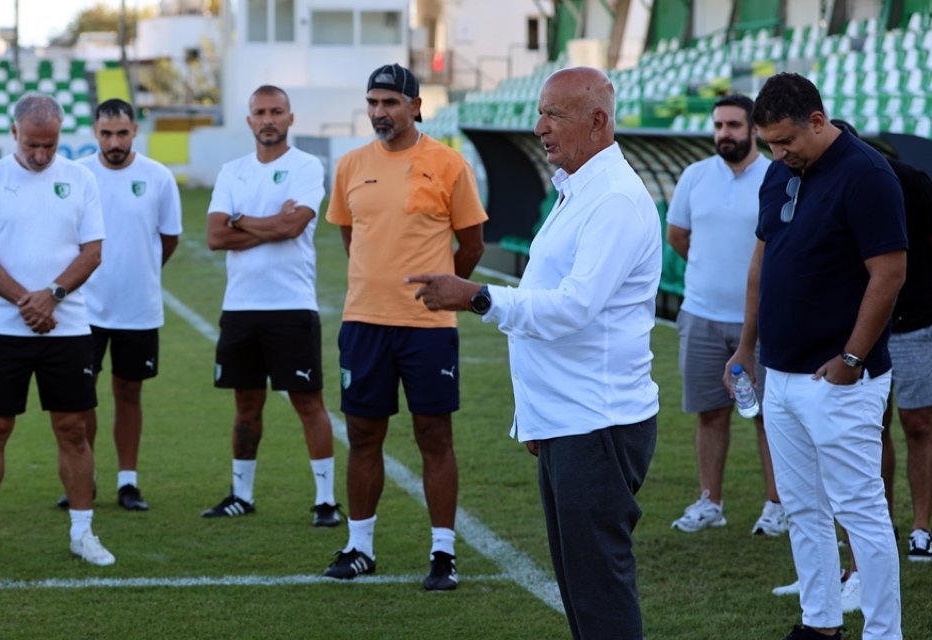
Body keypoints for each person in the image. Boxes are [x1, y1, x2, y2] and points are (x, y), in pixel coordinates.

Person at [409, 66, 662, 636]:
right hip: (571, 421)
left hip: (596, 424)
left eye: (554, 114)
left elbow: (572, 307)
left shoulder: (614, 200)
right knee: (581, 588)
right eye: (541, 112)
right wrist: (537, 418)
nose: (539, 126)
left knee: (599, 591)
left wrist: (477, 296)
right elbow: (551, 302)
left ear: (598, 122)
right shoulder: (581, 189)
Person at [728, 73, 906, 640]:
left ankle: (883, 632)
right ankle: (820, 622)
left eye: (786, 142)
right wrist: (747, 345)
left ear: (818, 121)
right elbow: (763, 263)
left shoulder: (867, 174)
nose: (778, 154)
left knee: (861, 513)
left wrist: (851, 360)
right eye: (771, 144)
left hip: (840, 379)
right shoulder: (779, 172)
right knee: (804, 508)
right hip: (779, 375)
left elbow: (890, 272)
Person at [323, 63, 487, 591]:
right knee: (363, 435)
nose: (379, 112)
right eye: (373, 102)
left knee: (434, 436)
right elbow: (351, 237)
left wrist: (444, 292)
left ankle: (443, 553)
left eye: (390, 102)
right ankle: (360, 546)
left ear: (416, 106)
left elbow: (473, 244)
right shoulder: (350, 165)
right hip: (364, 322)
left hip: (427, 327)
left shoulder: (448, 164)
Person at [0, 93, 113, 570]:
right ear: (14, 134)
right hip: (3, 330)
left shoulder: (81, 178)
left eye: (50, 145)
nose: (41, 155)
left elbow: (92, 252)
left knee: (72, 430)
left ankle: (82, 532)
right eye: (32, 145)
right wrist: (29, 301)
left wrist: (53, 297)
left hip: (67, 329)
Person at [201, 85, 340, 528]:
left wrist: (241, 219)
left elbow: (294, 225)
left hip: (291, 305)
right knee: (246, 405)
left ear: (290, 119)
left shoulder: (306, 167)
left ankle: (325, 500)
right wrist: (267, 224)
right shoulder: (232, 171)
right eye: (260, 112)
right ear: (248, 121)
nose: (268, 119)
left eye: (276, 111)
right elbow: (215, 236)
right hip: (240, 307)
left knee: (308, 402)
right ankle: (241, 494)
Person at [664, 94, 785, 536]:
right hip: (699, 315)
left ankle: (777, 504)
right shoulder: (695, 176)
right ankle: (710, 502)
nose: (724, 134)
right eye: (719, 125)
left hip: (763, 320)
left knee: (769, 417)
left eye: (734, 125)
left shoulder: (777, 175)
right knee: (710, 413)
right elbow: (678, 234)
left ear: (754, 129)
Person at [54, 99, 182, 511]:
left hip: (137, 308)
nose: (114, 142)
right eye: (106, 134)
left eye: (122, 133)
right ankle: (83, 476)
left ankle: (128, 481)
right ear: (95, 132)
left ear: (134, 131)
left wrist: (140, 271)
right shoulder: (78, 176)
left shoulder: (158, 178)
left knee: (129, 393)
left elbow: (169, 238)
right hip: (82, 309)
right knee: (81, 397)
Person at [878, 153, 932, 563]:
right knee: (871, 425)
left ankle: (922, 528)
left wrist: (913, 288)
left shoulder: (909, 180)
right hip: (860, 326)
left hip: (914, 321)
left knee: (918, 423)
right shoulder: (817, 181)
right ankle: (880, 522)